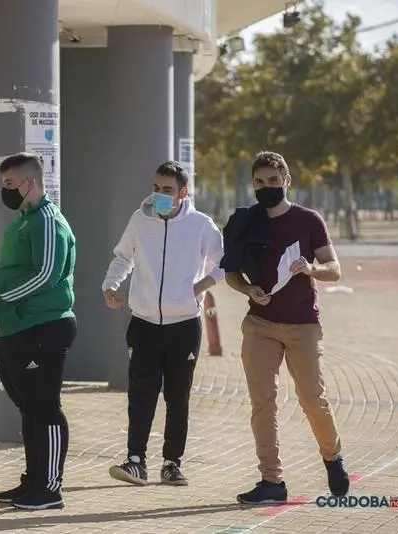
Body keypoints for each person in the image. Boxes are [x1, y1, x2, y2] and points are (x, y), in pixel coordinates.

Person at [221, 151, 350, 504]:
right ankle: (272, 482)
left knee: (312, 399)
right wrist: (249, 289)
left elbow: (335, 269)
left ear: (287, 181)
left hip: (302, 326)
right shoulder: (245, 221)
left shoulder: (308, 220)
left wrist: (310, 268)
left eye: (273, 181)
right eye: (260, 183)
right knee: (263, 403)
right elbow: (231, 273)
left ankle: (332, 456)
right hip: (260, 324)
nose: (267, 188)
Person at [101, 161, 224, 487]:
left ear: (183, 193)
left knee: (177, 396)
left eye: (167, 190)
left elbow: (225, 261)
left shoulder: (201, 225)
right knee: (141, 394)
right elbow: (123, 256)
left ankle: (172, 463)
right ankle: (136, 461)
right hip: (142, 323)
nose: (159, 195)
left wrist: (200, 285)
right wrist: (111, 285)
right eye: (156, 188)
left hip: (184, 324)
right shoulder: (140, 220)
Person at [0, 153, 77, 511]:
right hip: (16, 326)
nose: (5, 192)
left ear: (29, 183)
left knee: (45, 406)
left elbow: (46, 275)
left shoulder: (48, 221)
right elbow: (19, 271)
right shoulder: (24, 220)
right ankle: (33, 481)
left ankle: (50, 489)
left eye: (9, 185)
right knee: (30, 408)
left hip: (44, 327)